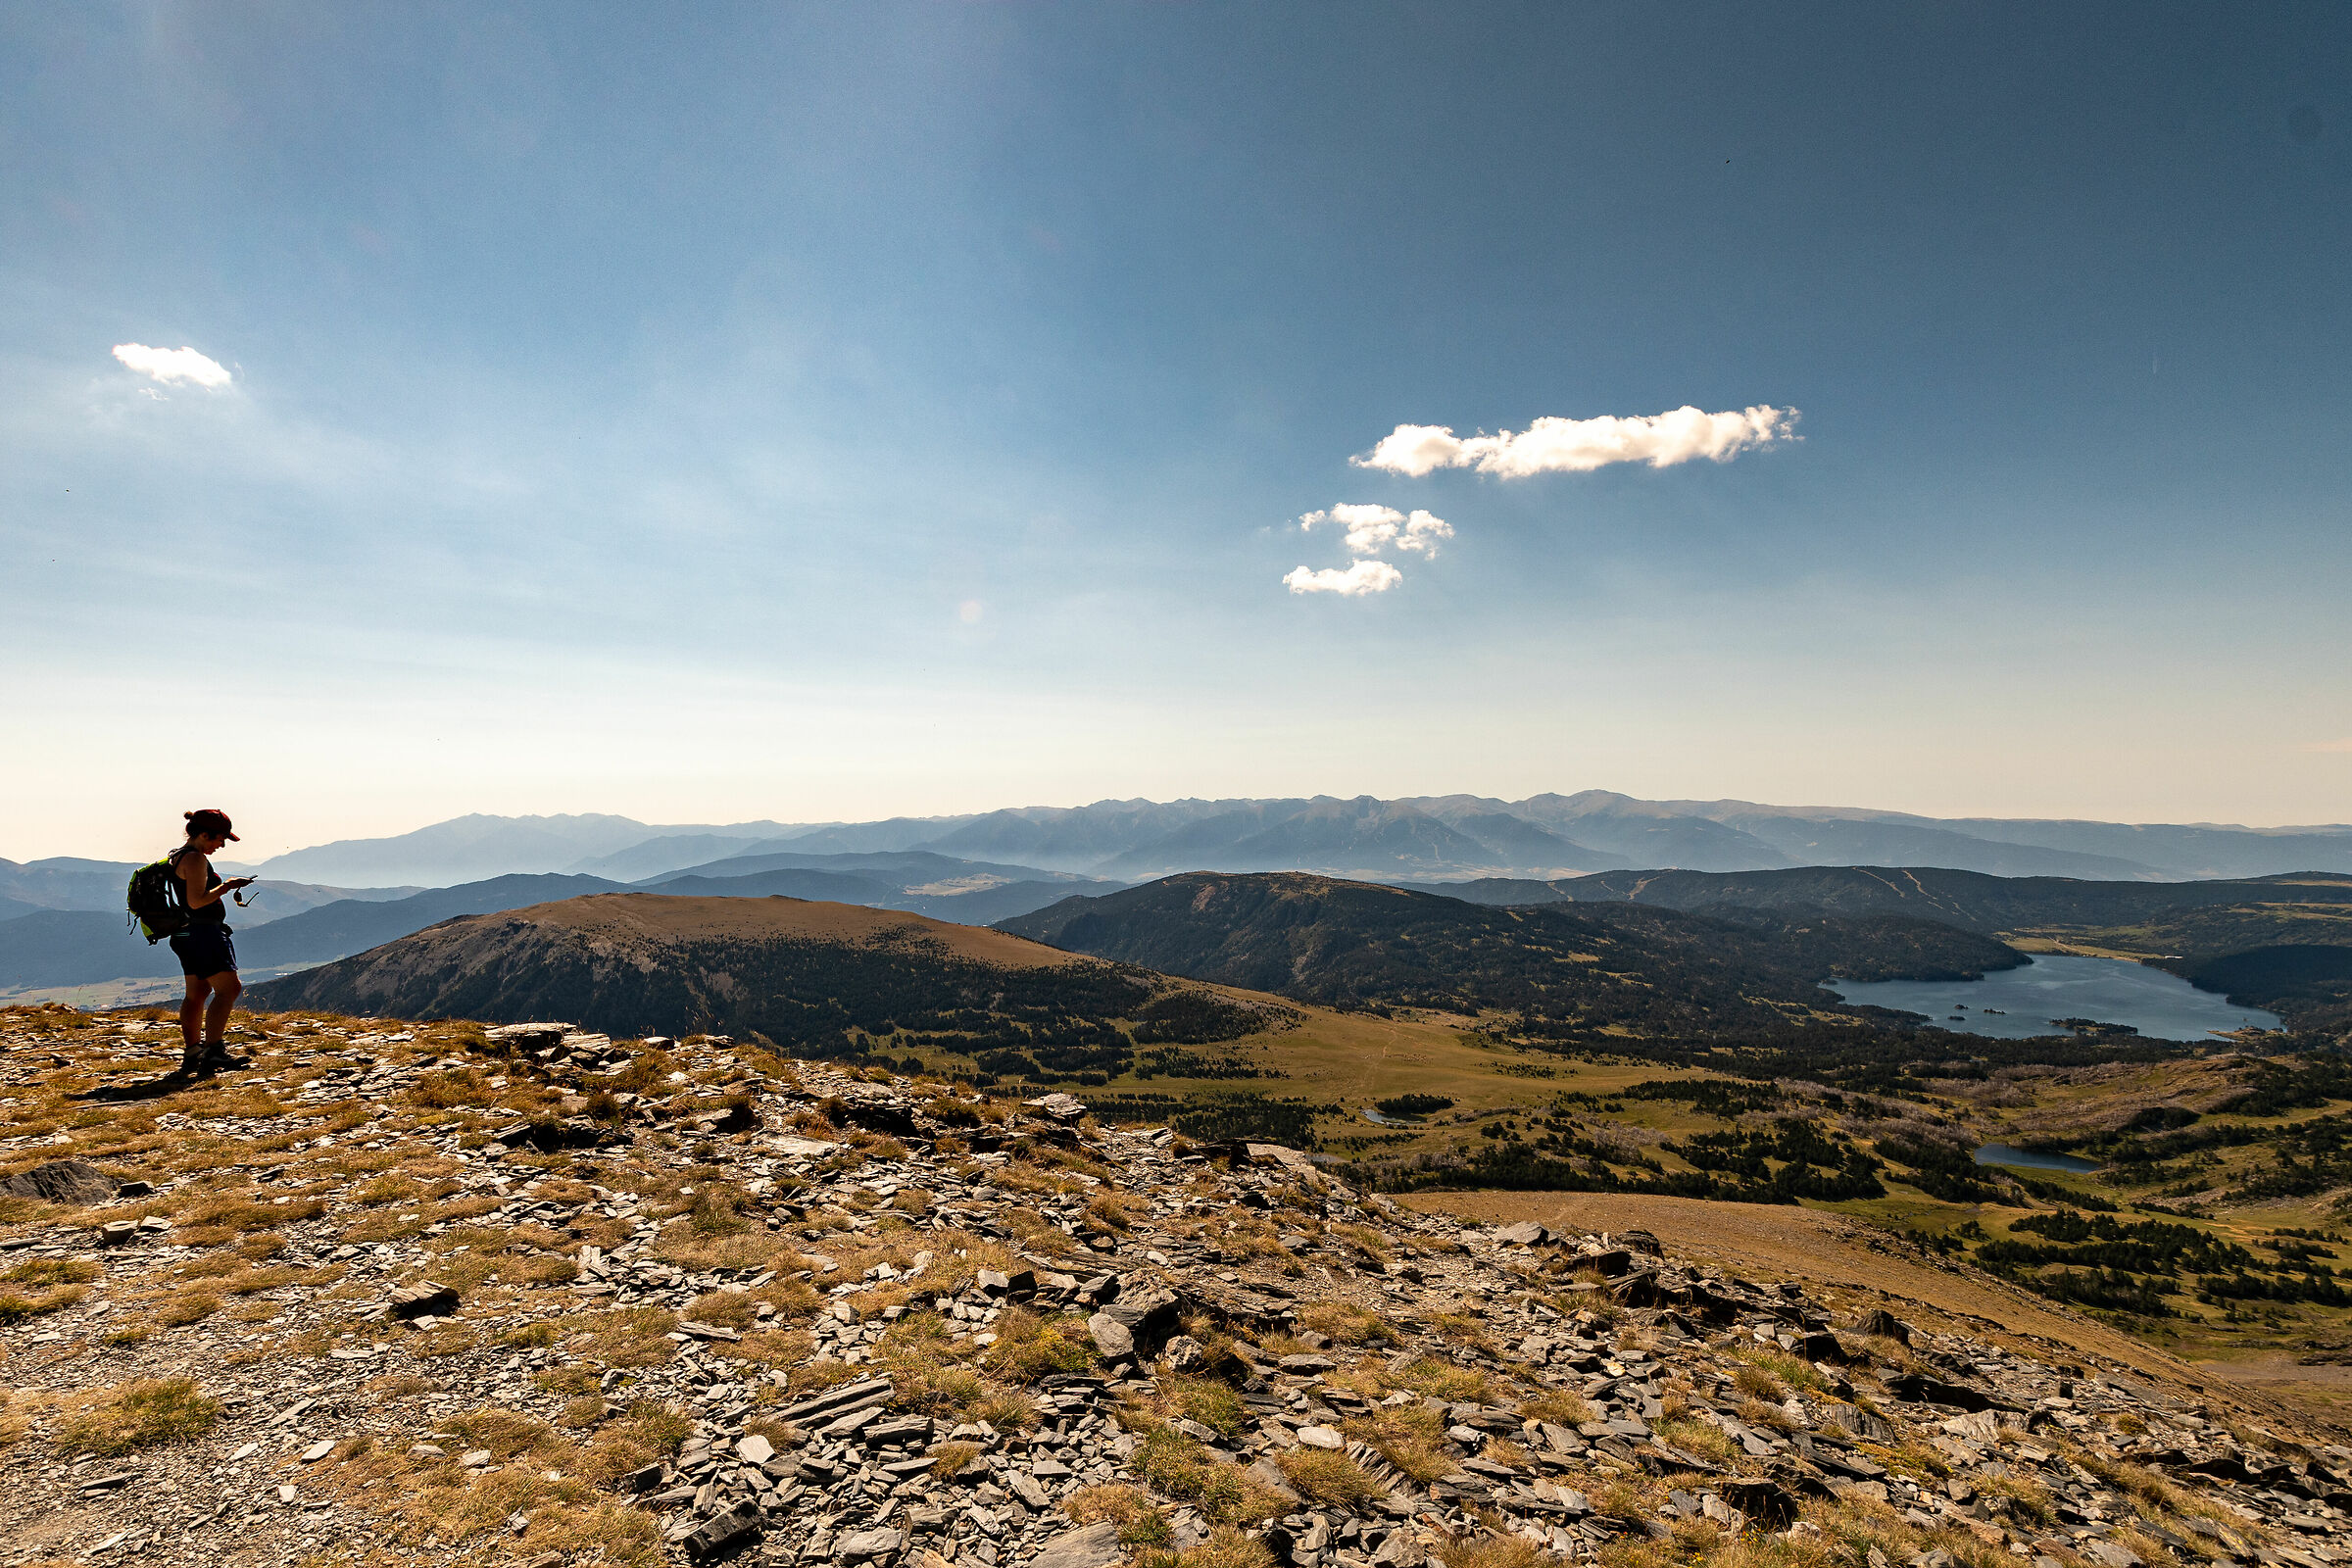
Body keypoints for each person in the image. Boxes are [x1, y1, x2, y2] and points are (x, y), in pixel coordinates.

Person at [170, 808, 256, 1076]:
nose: (221, 845)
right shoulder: (195, 858)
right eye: (220, 839)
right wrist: (227, 886)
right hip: (204, 933)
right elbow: (197, 901)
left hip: (185, 934)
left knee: (197, 994)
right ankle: (214, 1051)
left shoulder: (177, 856)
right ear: (204, 834)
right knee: (229, 989)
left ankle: (193, 1052)